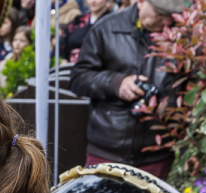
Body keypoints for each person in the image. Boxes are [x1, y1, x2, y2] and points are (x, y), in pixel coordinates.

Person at [68, 0, 186, 179]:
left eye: (171, 15)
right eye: (160, 14)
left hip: (158, 157)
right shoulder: (106, 29)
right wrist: (116, 84)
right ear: (140, 2)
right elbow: (78, 78)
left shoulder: (184, 35)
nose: (167, 22)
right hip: (107, 154)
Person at [0, 26, 30, 96]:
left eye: (22, 41)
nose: (17, 43)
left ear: (30, 43)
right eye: (15, 40)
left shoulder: (30, 64)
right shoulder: (8, 59)